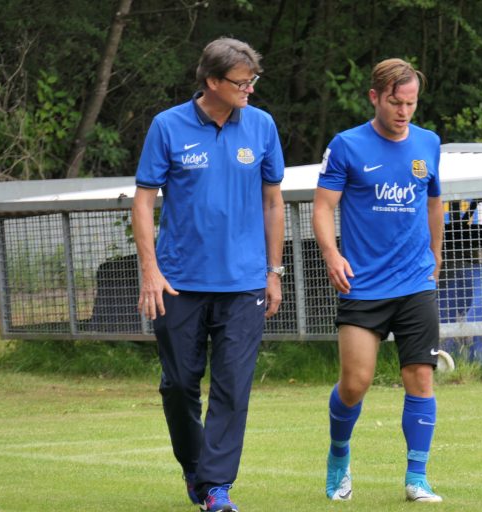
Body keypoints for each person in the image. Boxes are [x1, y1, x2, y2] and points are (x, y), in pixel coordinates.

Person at [132, 37, 285, 512]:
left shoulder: (261, 126)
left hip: (244, 285)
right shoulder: (167, 126)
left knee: (232, 387)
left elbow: (273, 200)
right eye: (242, 82)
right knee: (179, 384)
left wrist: (274, 271)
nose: (250, 90)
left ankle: (216, 487)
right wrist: (150, 271)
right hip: (178, 282)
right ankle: (196, 469)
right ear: (212, 81)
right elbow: (143, 200)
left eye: (253, 80)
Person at [313, 58, 445, 503]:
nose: (404, 111)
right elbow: (322, 207)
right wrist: (332, 254)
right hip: (363, 285)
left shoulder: (429, 143)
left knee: (420, 378)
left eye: (411, 103)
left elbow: (434, 204)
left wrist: (436, 255)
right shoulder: (347, 146)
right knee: (355, 383)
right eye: (395, 102)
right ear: (375, 97)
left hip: (415, 283)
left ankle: (417, 477)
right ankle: (338, 456)